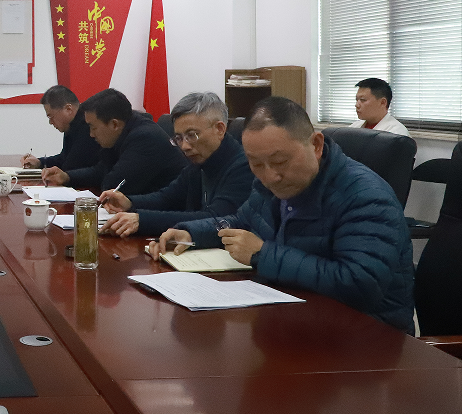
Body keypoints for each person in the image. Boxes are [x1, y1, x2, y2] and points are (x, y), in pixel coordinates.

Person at [149, 96, 414, 333]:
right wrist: (192, 233)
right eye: (256, 164)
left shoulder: (365, 196)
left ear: (316, 145)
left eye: (280, 162)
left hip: (364, 338)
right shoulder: (270, 183)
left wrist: (262, 254)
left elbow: (359, 284)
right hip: (293, 319)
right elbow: (242, 221)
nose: (270, 176)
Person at [101, 92, 253, 237]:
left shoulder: (244, 167)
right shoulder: (199, 162)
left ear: (220, 129)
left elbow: (215, 218)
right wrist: (130, 202)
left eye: (192, 135)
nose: (185, 146)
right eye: (179, 138)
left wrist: (142, 220)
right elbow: (167, 198)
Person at [42, 88, 186, 195]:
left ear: (114, 124)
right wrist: (67, 177)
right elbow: (100, 170)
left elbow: (113, 186)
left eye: (93, 127)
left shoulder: (144, 138)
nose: (91, 134)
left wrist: (105, 159)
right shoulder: (123, 130)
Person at [19, 85, 99, 172]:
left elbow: (70, 166)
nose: (50, 122)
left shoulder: (88, 126)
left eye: (51, 117)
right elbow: (64, 158)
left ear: (68, 109)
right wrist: (40, 162)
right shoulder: (71, 124)